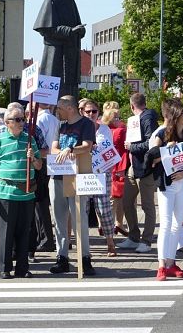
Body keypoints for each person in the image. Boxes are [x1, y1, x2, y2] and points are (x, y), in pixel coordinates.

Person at [0, 107, 42, 279]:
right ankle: (4, 268)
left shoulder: (29, 139)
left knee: (24, 231)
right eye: (17, 119)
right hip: (6, 192)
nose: (21, 122)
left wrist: (33, 157)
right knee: (6, 232)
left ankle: (22, 267)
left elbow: (39, 165)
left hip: (26, 192)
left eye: (22, 119)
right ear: (7, 122)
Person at [150, 99, 183, 280]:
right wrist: (164, 150)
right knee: (166, 223)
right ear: (176, 116)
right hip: (167, 183)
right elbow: (151, 159)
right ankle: (161, 265)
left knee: (177, 224)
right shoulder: (162, 134)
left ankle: (171, 262)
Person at [49, 95, 96, 276]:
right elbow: (53, 148)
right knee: (59, 219)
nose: (57, 112)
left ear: (70, 108)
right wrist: (62, 151)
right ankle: (62, 257)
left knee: (80, 219)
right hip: (58, 176)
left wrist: (71, 149)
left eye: (59, 108)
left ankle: (84, 257)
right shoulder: (60, 126)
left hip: (77, 177)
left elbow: (87, 146)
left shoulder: (86, 124)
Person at [33, 0, 86, 99]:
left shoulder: (71, 1)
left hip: (70, 56)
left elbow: (75, 25)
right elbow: (44, 28)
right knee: (53, 97)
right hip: (56, 55)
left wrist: (80, 31)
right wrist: (69, 31)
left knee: (70, 93)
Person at [117, 93, 159, 253]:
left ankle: (146, 241)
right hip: (133, 167)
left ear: (131, 105)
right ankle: (134, 237)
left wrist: (132, 147)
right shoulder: (135, 120)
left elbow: (151, 142)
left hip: (145, 168)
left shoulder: (147, 118)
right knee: (127, 202)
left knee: (148, 205)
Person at [82, 100, 117, 256]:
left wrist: (87, 147)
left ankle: (110, 243)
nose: (91, 114)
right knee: (82, 209)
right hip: (83, 172)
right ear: (82, 112)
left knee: (104, 209)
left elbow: (105, 149)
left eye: (94, 111)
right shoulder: (79, 128)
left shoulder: (104, 129)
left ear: (98, 113)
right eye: (88, 111)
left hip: (101, 172)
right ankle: (83, 245)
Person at [34, 102, 59, 252]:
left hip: (41, 161)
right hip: (52, 161)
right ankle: (45, 237)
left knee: (40, 203)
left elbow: (40, 144)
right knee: (43, 202)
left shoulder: (40, 120)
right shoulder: (55, 119)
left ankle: (44, 238)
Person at [101, 102, 129, 237]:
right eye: (115, 117)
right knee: (111, 196)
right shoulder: (103, 128)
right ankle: (108, 225)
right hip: (108, 162)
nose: (118, 119)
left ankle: (117, 224)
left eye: (118, 117)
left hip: (117, 163)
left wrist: (123, 165)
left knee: (117, 196)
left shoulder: (122, 128)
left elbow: (124, 149)